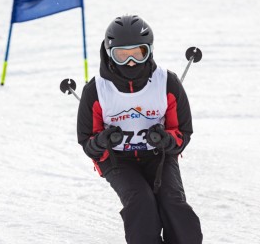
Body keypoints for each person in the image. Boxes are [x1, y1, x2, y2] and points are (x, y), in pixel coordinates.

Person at [77, 14, 203, 244]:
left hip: (159, 156)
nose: (131, 62)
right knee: (141, 202)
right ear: (109, 54)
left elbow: (183, 131)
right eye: (122, 56)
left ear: (149, 51)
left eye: (138, 53)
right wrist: (103, 140)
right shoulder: (96, 91)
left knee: (172, 202)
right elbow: (87, 141)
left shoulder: (167, 83)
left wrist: (165, 139)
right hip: (117, 159)